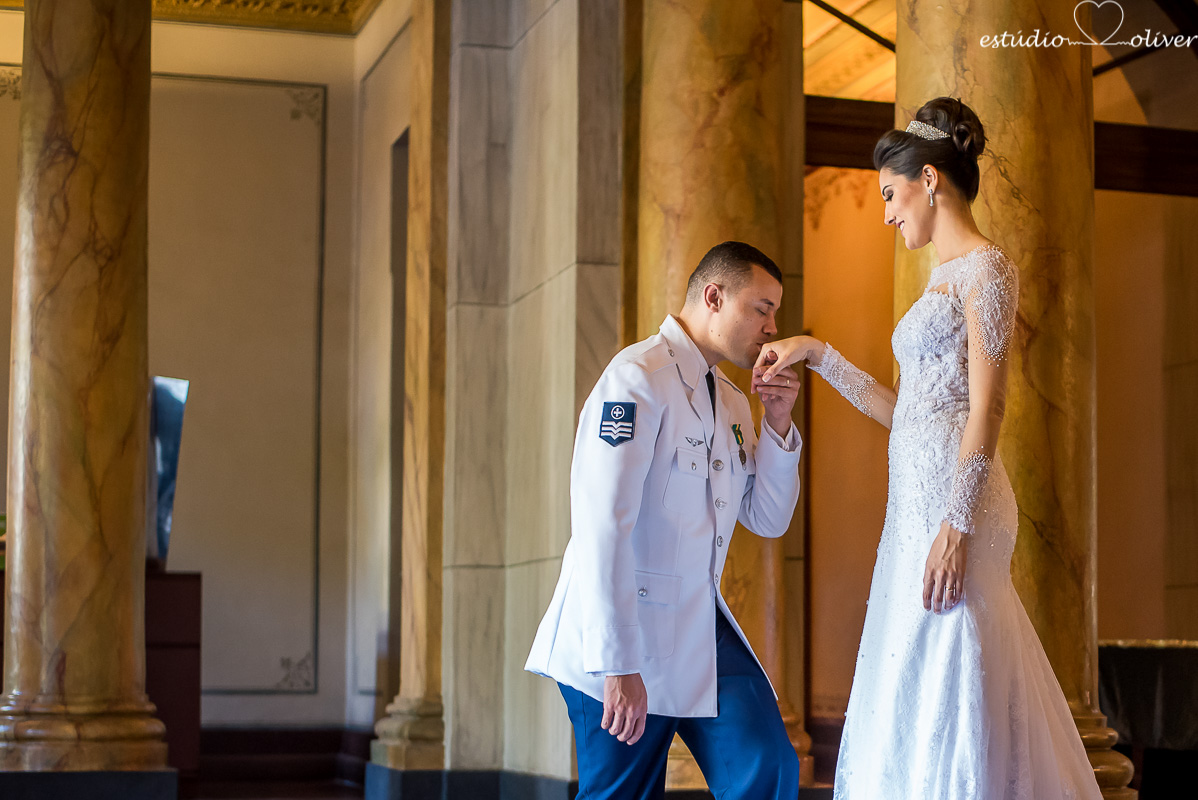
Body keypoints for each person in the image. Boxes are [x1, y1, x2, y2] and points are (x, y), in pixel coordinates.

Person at [756, 97, 1102, 799]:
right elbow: (905, 409)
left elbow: (991, 404)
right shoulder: (937, 280)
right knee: (910, 669)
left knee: (955, 659)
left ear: (931, 180)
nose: (886, 213)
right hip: (913, 510)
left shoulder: (986, 271)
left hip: (955, 506)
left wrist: (957, 523)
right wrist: (820, 355)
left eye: (890, 193)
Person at [525, 241, 804, 800]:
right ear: (714, 296)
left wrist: (777, 423)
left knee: (768, 766)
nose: (774, 327)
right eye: (762, 308)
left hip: (700, 626)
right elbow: (602, 527)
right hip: (622, 633)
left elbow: (767, 518)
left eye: (776, 311)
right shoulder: (635, 379)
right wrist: (617, 662)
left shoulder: (729, 399)